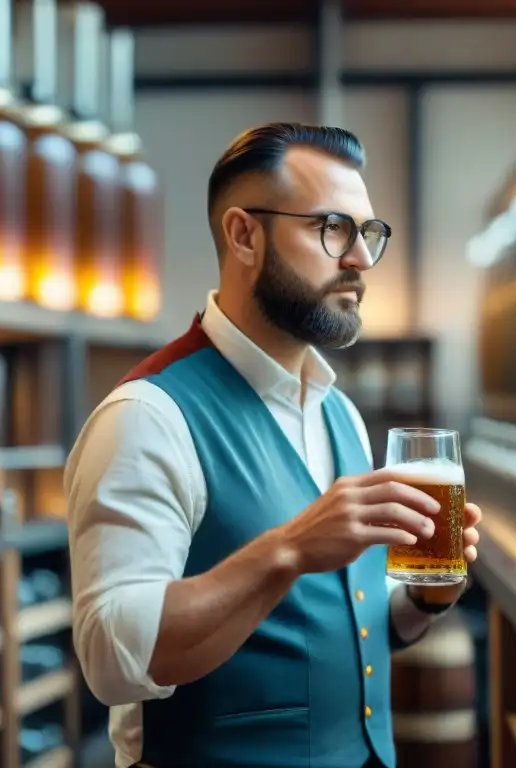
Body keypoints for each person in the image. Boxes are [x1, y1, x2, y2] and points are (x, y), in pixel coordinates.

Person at [65, 122, 483, 768]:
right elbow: (112, 658)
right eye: (332, 229)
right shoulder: (146, 416)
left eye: (368, 234)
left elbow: (353, 623)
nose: (361, 260)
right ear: (244, 235)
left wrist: (423, 600)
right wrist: (289, 547)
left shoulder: (340, 413)